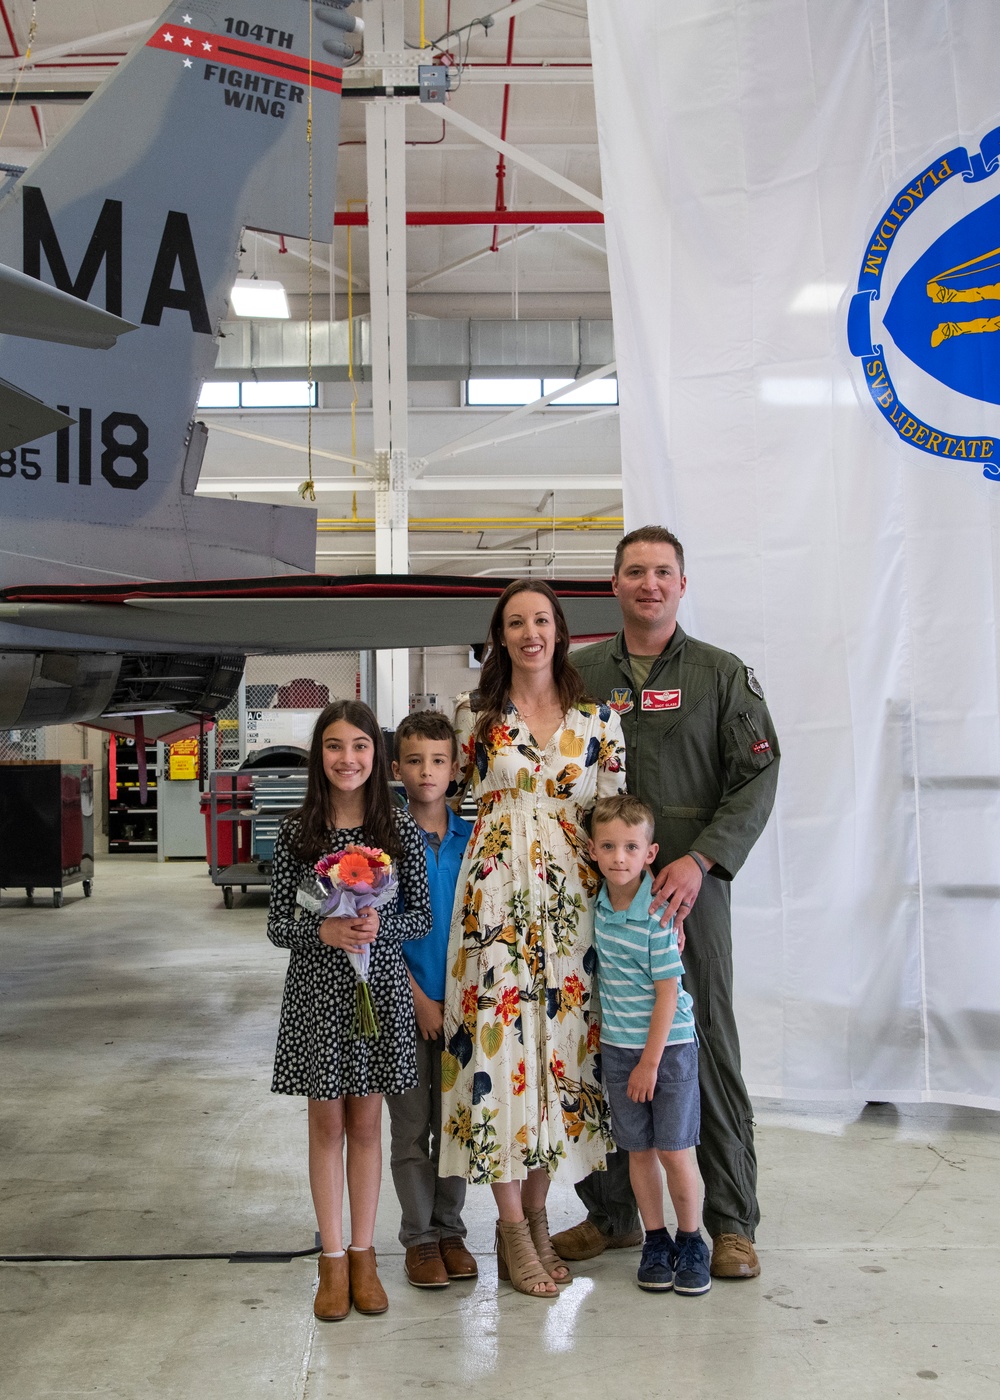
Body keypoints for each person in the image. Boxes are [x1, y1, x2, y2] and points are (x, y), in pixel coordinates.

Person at [552, 525, 780, 1282]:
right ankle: (613, 1215)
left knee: (701, 1042)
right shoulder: (577, 675)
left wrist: (702, 859)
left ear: (683, 585)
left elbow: (755, 777)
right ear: (614, 585)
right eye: (634, 572)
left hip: (688, 895)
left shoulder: (720, 676)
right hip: (599, 898)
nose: (649, 584)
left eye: (663, 572)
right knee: (601, 1047)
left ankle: (731, 1222)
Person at [438, 579, 627, 1298]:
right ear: (499, 635)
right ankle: (512, 1228)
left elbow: (616, 821)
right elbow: (447, 809)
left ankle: (541, 1217)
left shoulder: (599, 720)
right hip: (492, 911)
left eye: (541, 619)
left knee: (559, 1065)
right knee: (501, 1058)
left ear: (561, 630)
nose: (529, 632)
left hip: (573, 913)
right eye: (515, 622)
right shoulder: (474, 718)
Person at [267, 700, 432, 1322]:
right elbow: (279, 922)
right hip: (317, 993)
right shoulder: (297, 834)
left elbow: (419, 915)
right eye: (334, 746)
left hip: (380, 990)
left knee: (367, 1126)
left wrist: (376, 925)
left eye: (360, 746)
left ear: (377, 754)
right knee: (326, 1127)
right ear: (319, 756)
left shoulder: (399, 832)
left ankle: (366, 1254)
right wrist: (324, 933)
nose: (348, 759)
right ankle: (331, 1259)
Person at [590, 793, 710, 1296]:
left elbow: (668, 995)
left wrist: (650, 1063)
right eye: (609, 847)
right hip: (619, 1050)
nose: (620, 857)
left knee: (675, 1151)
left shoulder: (659, 916)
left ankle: (692, 1240)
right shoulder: (595, 907)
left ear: (650, 852)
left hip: (667, 1050)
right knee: (638, 1151)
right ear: (593, 851)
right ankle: (655, 1239)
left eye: (631, 847)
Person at [386, 711, 477, 1290]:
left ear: (456, 768)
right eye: (415, 760)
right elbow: (377, 931)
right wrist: (418, 997)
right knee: (411, 1127)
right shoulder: (384, 844)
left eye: (439, 761)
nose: (427, 771)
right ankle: (418, 1239)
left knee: (457, 1127)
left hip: (466, 1008)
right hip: (407, 1004)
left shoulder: (475, 841)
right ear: (396, 768)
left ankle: (450, 1231)